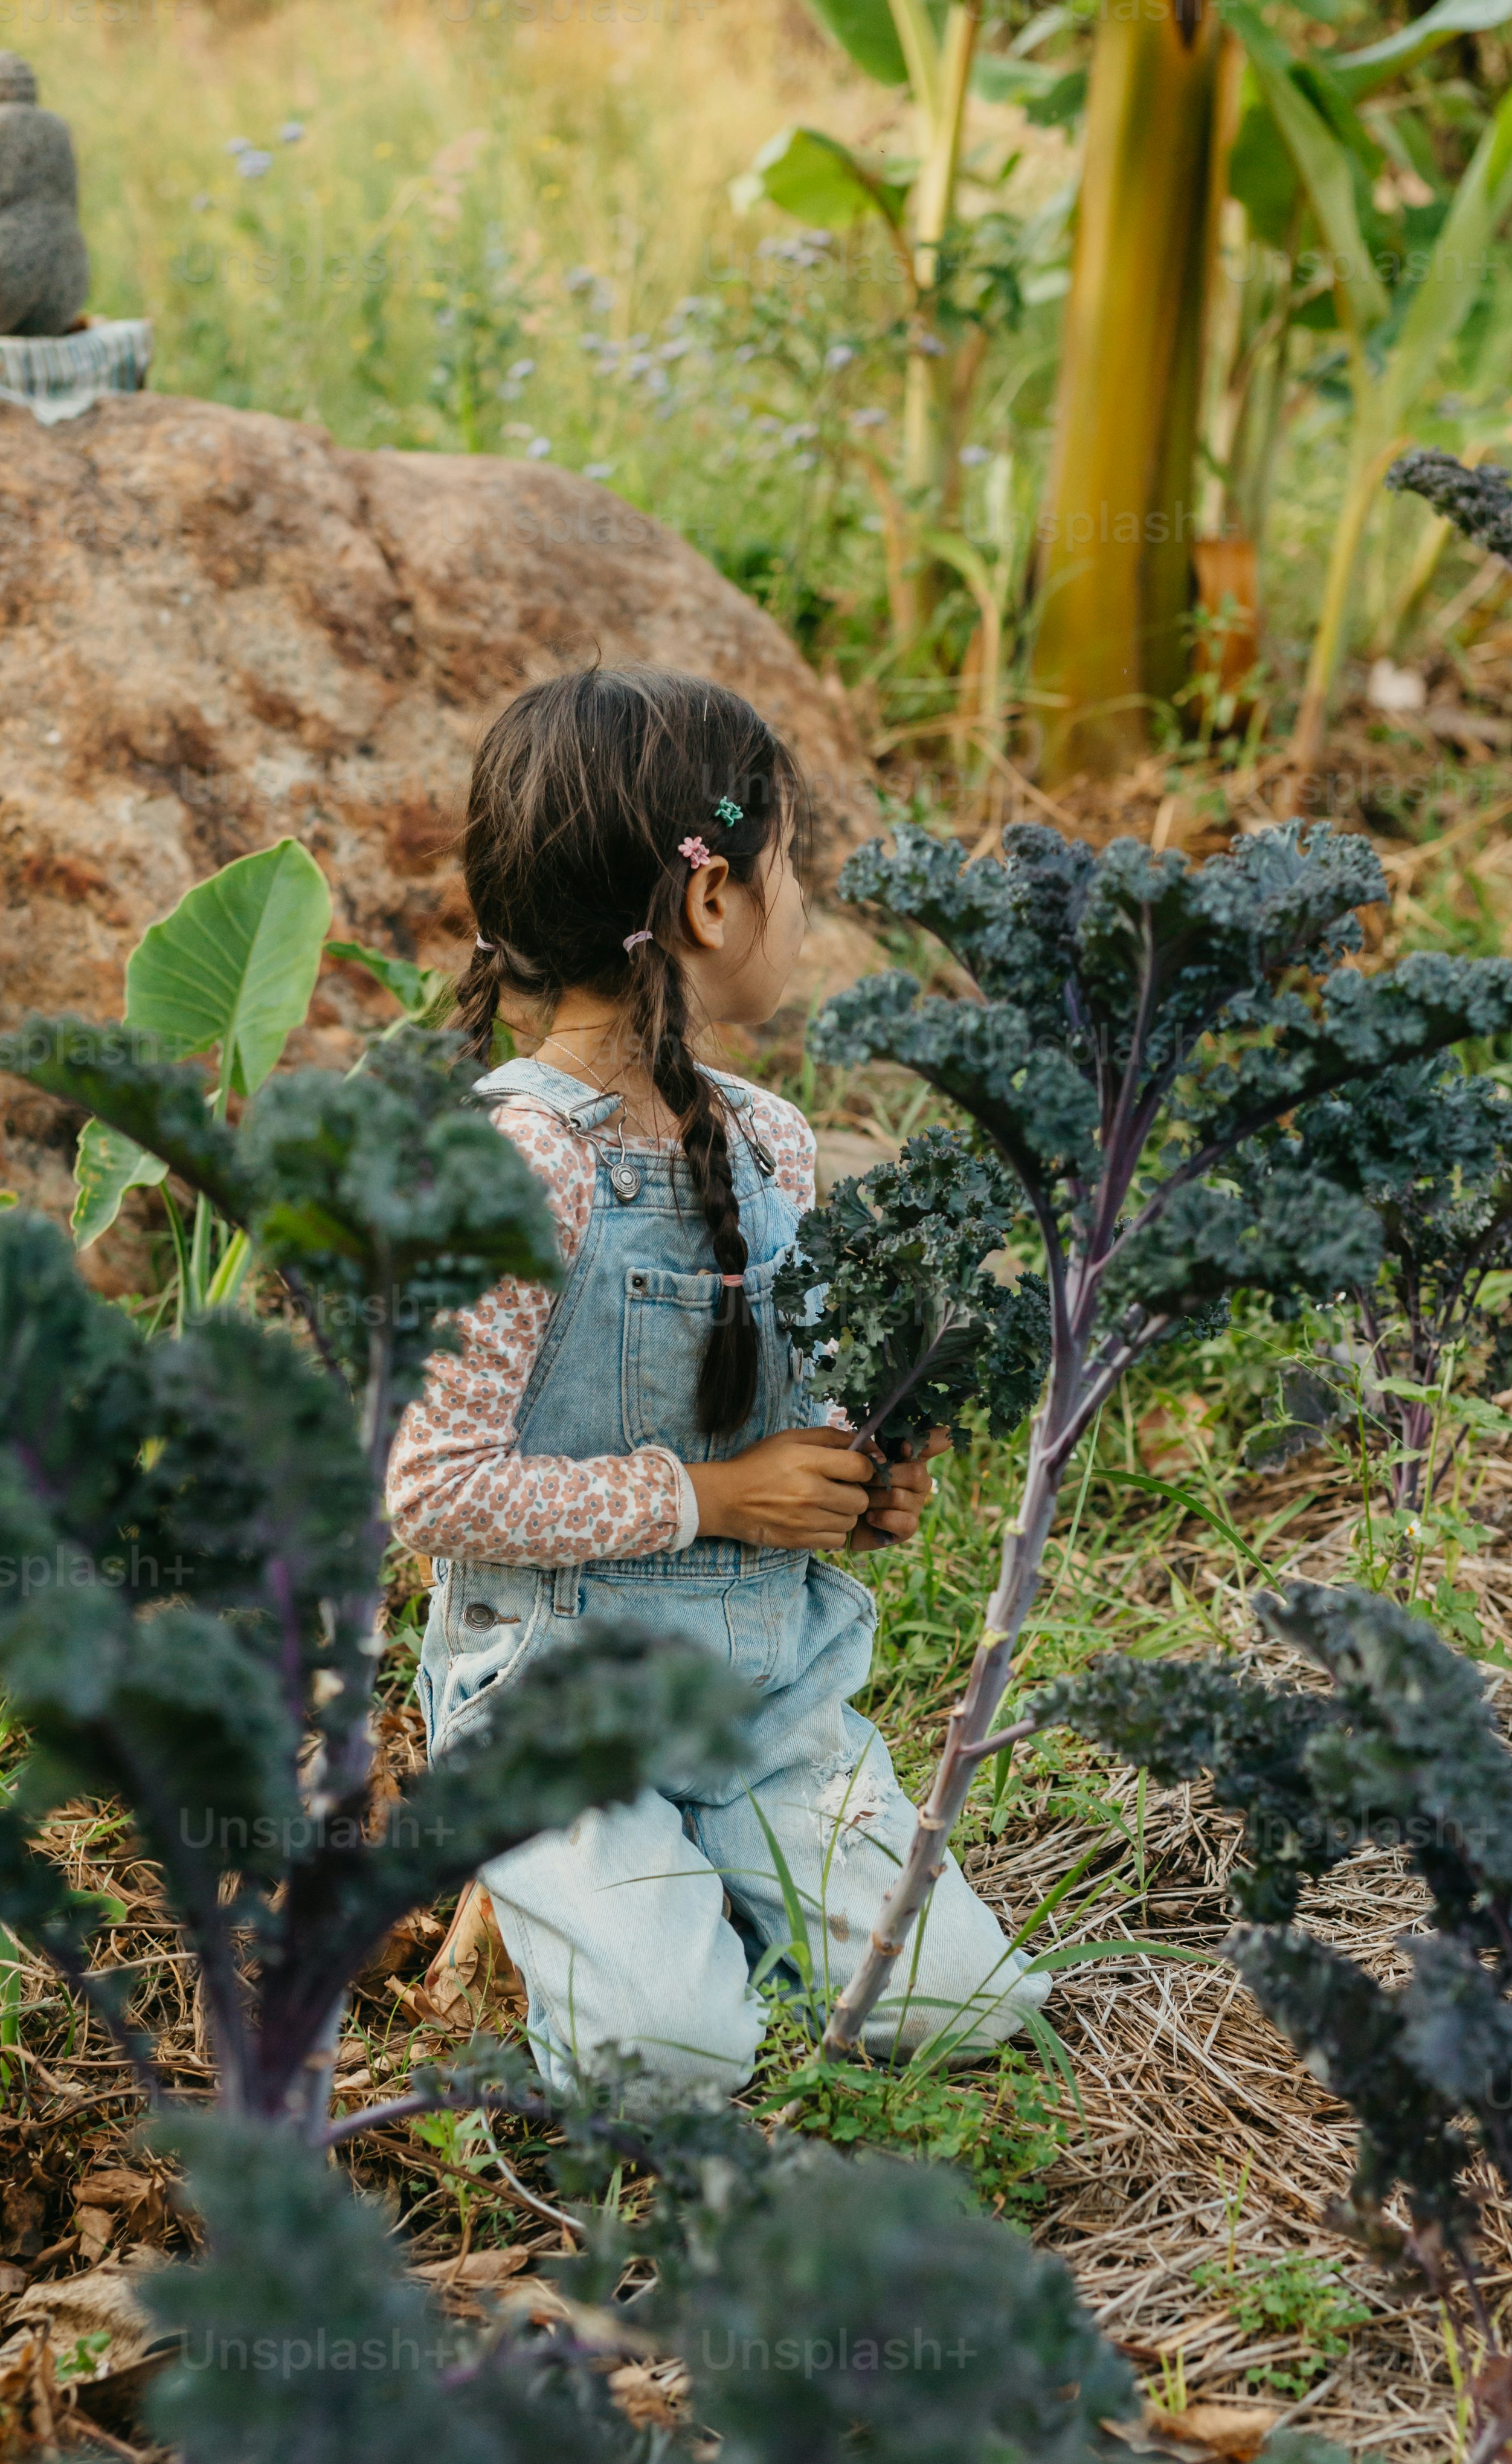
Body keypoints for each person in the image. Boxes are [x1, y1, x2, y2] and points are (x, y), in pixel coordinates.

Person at [387, 663, 1047, 2094]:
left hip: (765, 1694)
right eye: (789, 865)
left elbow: (779, 1418)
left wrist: (847, 1479)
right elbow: (432, 1489)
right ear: (709, 903)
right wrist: (717, 1498)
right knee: (669, 2063)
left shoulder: (773, 1142)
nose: (800, 901)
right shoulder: (517, 1165)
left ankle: (680, 1900)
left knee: (963, 2010)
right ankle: (590, 1910)